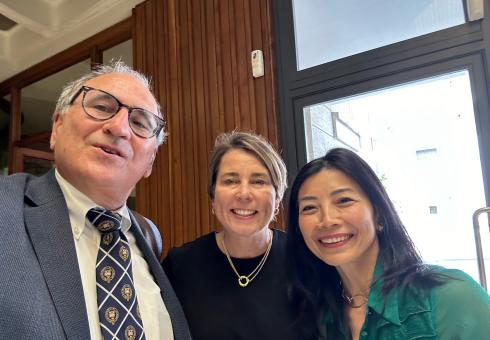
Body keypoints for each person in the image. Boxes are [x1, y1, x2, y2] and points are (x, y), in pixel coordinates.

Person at [0, 61, 191, 340]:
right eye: (102, 107)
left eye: (139, 123)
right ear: (57, 126)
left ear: (150, 161)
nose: (119, 128)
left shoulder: (150, 237)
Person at [287, 147, 490, 340]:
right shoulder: (318, 315)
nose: (327, 220)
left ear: (379, 214)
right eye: (309, 208)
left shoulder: (451, 294)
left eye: (344, 200)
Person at [162, 131, 299, 340]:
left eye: (259, 181)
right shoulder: (179, 266)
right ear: (213, 196)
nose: (244, 194)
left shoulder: (304, 259)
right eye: (230, 181)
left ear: (278, 196)